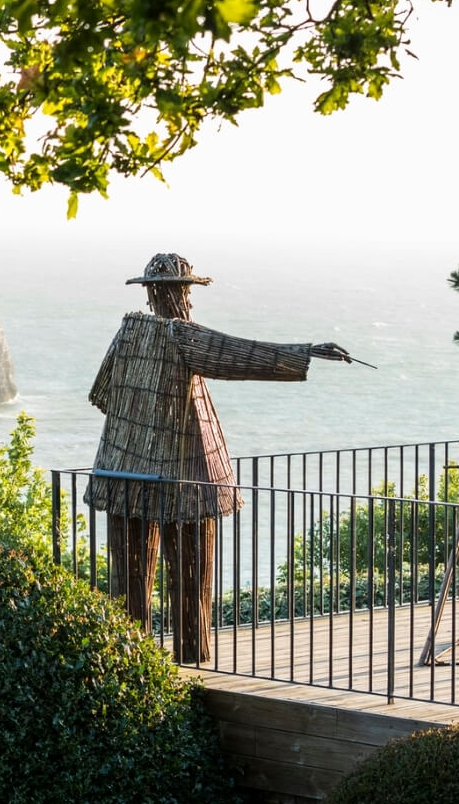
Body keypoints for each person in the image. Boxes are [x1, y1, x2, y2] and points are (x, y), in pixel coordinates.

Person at [85, 252, 351, 662]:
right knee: (190, 574)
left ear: (150, 293)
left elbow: (102, 394)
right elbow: (238, 355)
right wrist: (307, 351)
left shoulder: (127, 334)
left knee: (130, 580)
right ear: (180, 293)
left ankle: (130, 658)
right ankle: (190, 654)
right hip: (186, 475)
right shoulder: (181, 336)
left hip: (121, 469)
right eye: (183, 293)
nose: (184, 301)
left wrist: (142, 417)